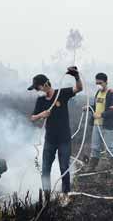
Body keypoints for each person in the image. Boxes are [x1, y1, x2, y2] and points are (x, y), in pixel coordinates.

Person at [29, 66, 83, 195]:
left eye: (38, 88)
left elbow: (79, 88)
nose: (37, 91)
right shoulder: (41, 100)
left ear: (46, 84)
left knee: (64, 167)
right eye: (35, 89)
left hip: (64, 139)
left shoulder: (62, 94)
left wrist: (76, 76)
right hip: (50, 140)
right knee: (45, 169)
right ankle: (46, 195)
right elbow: (32, 118)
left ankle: (66, 194)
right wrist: (41, 115)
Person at [86, 72, 113, 171]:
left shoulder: (111, 93)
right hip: (97, 124)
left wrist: (101, 115)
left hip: (107, 125)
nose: (99, 85)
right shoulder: (98, 93)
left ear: (106, 82)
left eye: (100, 83)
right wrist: (89, 108)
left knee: (109, 147)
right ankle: (92, 167)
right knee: (95, 147)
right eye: (97, 83)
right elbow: (97, 106)